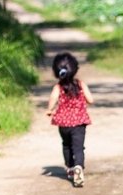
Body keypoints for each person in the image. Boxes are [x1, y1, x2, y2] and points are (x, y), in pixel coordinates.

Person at [45, 52, 93, 187]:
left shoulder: (58, 87)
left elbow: (53, 99)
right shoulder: (81, 84)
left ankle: (70, 167)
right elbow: (91, 100)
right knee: (78, 148)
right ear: (75, 69)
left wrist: (49, 110)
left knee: (66, 145)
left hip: (64, 124)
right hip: (79, 123)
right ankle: (79, 167)